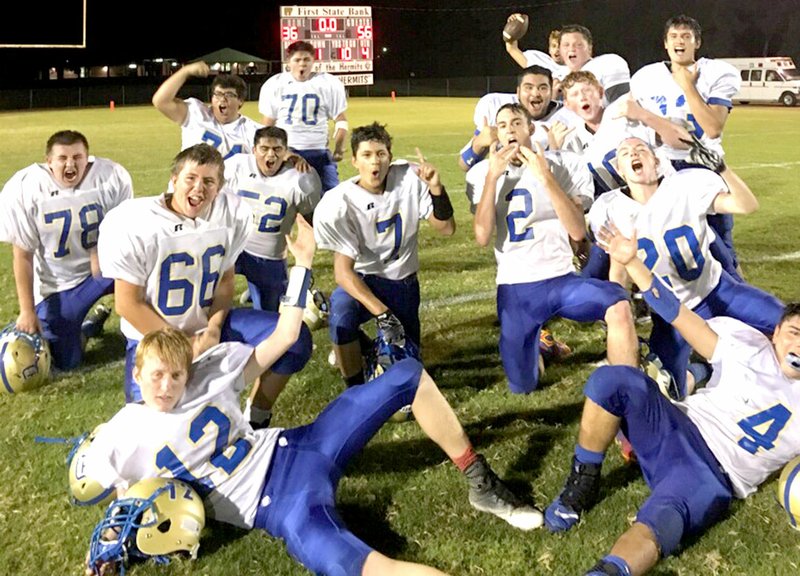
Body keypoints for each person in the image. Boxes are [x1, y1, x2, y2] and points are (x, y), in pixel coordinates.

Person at [82, 221, 543, 576]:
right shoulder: (125, 432)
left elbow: (286, 334)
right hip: (280, 506)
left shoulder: (210, 373)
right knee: (361, 568)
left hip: (299, 445)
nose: (167, 386)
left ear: (189, 370)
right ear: (136, 373)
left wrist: (303, 263)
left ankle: (477, 477)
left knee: (406, 373)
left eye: (176, 375)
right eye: (157, 376)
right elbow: (117, 501)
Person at [545, 221, 800, 576]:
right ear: (775, 333)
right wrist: (633, 262)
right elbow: (678, 315)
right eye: (795, 332)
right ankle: (584, 478)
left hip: (711, 473)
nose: (799, 345)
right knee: (615, 380)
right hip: (675, 424)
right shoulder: (747, 345)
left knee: (662, 522)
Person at [97, 144, 311, 429]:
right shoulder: (134, 222)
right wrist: (182, 348)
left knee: (296, 341)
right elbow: (127, 303)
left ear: (220, 186)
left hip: (207, 325)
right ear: (174, 181)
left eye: (209, 181)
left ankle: (257, 416)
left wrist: (213, 328)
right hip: (153, 336)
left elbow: (225, 279)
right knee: (154, 430)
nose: (199, 188)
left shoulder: (231, 212)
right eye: (191, 178)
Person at [588, 137, 783, 398]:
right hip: (670, 312)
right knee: (666, 391)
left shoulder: (685, 186)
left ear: (656, 163)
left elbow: (747, 205)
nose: (633, 153)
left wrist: (723, 169)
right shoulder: (612, 209)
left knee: (788, 325)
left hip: (718, 291)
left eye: (641, 149)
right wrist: (621, 314)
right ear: (620, 171)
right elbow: (619, 270)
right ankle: (697, 374)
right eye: (625, 152)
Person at [470, 104, 638, 394]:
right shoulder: (482, 173)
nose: (509, 129)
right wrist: (492, 179)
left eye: (516, 122)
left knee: (618, 304)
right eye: (502, 124)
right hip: (516, 289)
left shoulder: (564, 164)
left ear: (530, 128)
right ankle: (542, 347)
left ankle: (628, 389)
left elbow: (575, 229)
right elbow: (482, 236)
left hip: (562, 280)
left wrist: (545, 176)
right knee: (523, 386)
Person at [314, 122, 455, 387]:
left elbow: (446, 228)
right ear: (354, 160)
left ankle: (369, 351)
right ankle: (354, 389)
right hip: (362, 279)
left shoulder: (409, 179)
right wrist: (382, 314)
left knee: (407, 370)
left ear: (390, 157)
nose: (374, 161)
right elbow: (342, 273)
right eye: (366, 155)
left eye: (381, 154)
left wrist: (436, 188)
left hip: (402, 282)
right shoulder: (339, 202)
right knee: (341, 318)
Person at [0, 130, 132, 371]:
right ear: (48, 161)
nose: (70, 164)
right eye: (62, 158)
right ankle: (87, 328)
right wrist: (27, 311)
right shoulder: (26, 188)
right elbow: (23, 256)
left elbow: (126, 233)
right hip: (60, 286)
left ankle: (150, 335)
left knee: (152, 273)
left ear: (87, 158)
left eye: (77, 157)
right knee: (66, 362)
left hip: (106, 269)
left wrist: (101, 249)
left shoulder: (110, 177)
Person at [630, 14, 743, 279]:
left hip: (705, 165)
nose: (679, 41)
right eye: (674, 36)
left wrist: (687, 86)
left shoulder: (716, 72)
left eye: (686, 36)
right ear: (665, 44)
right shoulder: (646, 76)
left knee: (719, 240)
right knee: (671, 238)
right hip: (665, 168)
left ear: (697, 43)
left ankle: (737, 288)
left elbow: (713, 127)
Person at [224, 126, 322, 312]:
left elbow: (310, 218)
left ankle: (256, 292)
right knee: (208, 298)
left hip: (268, 255)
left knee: (270, 316)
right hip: (232, 246)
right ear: (253, 150)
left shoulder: (302, 178)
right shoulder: (236, 165)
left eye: (277, 149)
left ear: (286, 151)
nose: (271, 155)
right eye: (264, 149)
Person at [258, 40, 348, 193]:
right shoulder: (275, 84)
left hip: (319, 150)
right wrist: (275, 153)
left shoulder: (328, 83)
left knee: (332, 197)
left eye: (307, 59)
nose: (302, 64)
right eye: (297, 60)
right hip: (287, 152)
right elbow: (267, 126)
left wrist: (339, 147)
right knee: (284, 198)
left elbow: (341, 120)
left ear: (313, 61)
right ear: (288, 62)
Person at [458, 65, 568, 173]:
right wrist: (478, 145)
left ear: (551, 91)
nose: (535, 93)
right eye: (528, 87)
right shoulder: (497, 108)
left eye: (543, 88)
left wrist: (555, 151)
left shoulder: (568, 118)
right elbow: (464, 165)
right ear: (518, 92)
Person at [152, 61, 262, 159]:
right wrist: (185, 71)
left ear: (240, 101)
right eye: (218, 94)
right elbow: (161, 101)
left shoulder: (254, 131)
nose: (222, 99)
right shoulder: (195, 113)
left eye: (229, 95)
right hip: (191, 180)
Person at [505, 20, 630, 105]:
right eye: (566, 45)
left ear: (590, 48)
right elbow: (512, 49)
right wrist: (511, 30)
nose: (571, 49)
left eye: (578, 45)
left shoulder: (607, 63)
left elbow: (622, 104)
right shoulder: (556, 74)